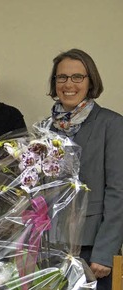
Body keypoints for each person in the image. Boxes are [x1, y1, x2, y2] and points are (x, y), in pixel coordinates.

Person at [44, 48, 123, 290]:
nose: (69, 84)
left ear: (90, 82)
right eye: (62, 77)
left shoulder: (112, 124)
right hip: (49, 248)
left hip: (93, 248)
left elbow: (118, 191)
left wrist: (104, 251)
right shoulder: (46, 128)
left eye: (77, 77)